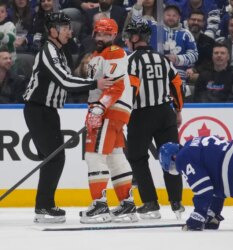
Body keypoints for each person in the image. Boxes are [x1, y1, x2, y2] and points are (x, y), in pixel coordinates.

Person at [22, 12, 115, 223]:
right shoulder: (48, 50)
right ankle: (43, 207)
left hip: (48, 111)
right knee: (54, 157)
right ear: (53, 31)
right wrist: (95, 84)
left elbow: (70, 78)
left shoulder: (60, 51)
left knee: (52, 158)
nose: (69, 31)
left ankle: (44, 205)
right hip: (38, 110)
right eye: (64, 28)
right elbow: (65, 81)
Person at [79, 18, 139, 224]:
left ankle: (99, 204)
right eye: (98, 33)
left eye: (106, 34)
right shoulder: (99, 55)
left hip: (109, 110)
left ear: (114, 35)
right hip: (111, 110)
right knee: (114, 155)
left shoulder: (114, 51)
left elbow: (115, 86)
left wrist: (99, 108)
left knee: (94, 154)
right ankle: (127, 204)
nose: (101, 37)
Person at [124, 22, 185, 220]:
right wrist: (177, 110)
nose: (127, 39)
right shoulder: (162, 59)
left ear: (135, 38)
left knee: (137, 158)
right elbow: (176, 83)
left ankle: (150, 203)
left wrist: (124, 113)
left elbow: (132, 89)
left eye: (129, 35)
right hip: (165, 113)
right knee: (171, 158)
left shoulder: (131, 60)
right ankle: (177, 202)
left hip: (140, 115)